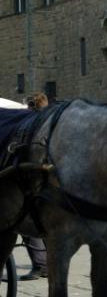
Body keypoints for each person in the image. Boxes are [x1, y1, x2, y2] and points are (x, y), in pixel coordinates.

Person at [21, 93, 48, 281]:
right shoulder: (50, 123)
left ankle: (40, 265)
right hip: (51, 186)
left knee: (25, 221)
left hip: (36, 185)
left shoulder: (32, 126)